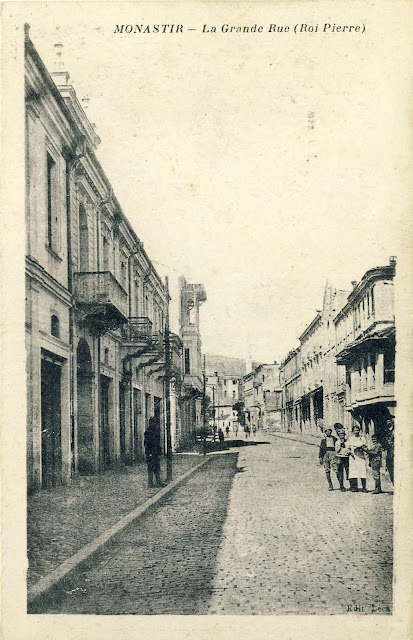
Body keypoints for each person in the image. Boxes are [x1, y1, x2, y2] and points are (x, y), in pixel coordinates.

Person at [144, 416, 165, 488]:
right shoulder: (148, 432)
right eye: (153, 423)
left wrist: (159, 451)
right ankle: (150, 483)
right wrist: (148, 453)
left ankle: (158, 482)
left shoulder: (155, 431)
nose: (154, 424)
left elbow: (157, 443)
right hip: (150, 453)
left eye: (155, 423)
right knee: (150, 468)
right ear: (150, 423)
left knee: (157, 467)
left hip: (155, 453)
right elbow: (146, 444)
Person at [347, 424, 368, 492]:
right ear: (353, 431)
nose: (356, 431)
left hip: (361, 457)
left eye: (358, 430)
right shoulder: (350, 438)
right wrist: (350, 452)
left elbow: (365, 446)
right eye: (355, 430)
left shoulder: (362, 438)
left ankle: (364, 487)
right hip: (353, 457)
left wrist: (362, 448)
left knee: (362, 471)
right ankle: (354, 487)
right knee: (353, 471)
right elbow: (348, 447)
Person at [383, 417, 394, 485]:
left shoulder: (396, 431)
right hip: (389, 454)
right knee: (390, 471)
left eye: (389, 422)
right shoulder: (386, 432)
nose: (388, 423)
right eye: (387, 423)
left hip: (395, 454)